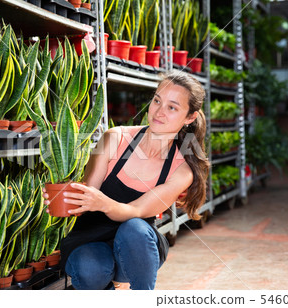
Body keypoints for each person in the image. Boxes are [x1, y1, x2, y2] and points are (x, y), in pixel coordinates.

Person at [43, 71, 210, 290]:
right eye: (157, 101)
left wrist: (102, 202)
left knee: (134, 228)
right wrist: (63, 197)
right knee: (90, 267)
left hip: (137, 247)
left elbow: (136, 211)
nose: (159, 112)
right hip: (91, 239)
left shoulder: (181, 170)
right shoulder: (115, 138)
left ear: (190, 117)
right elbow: (88, 194)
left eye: (172, 107)